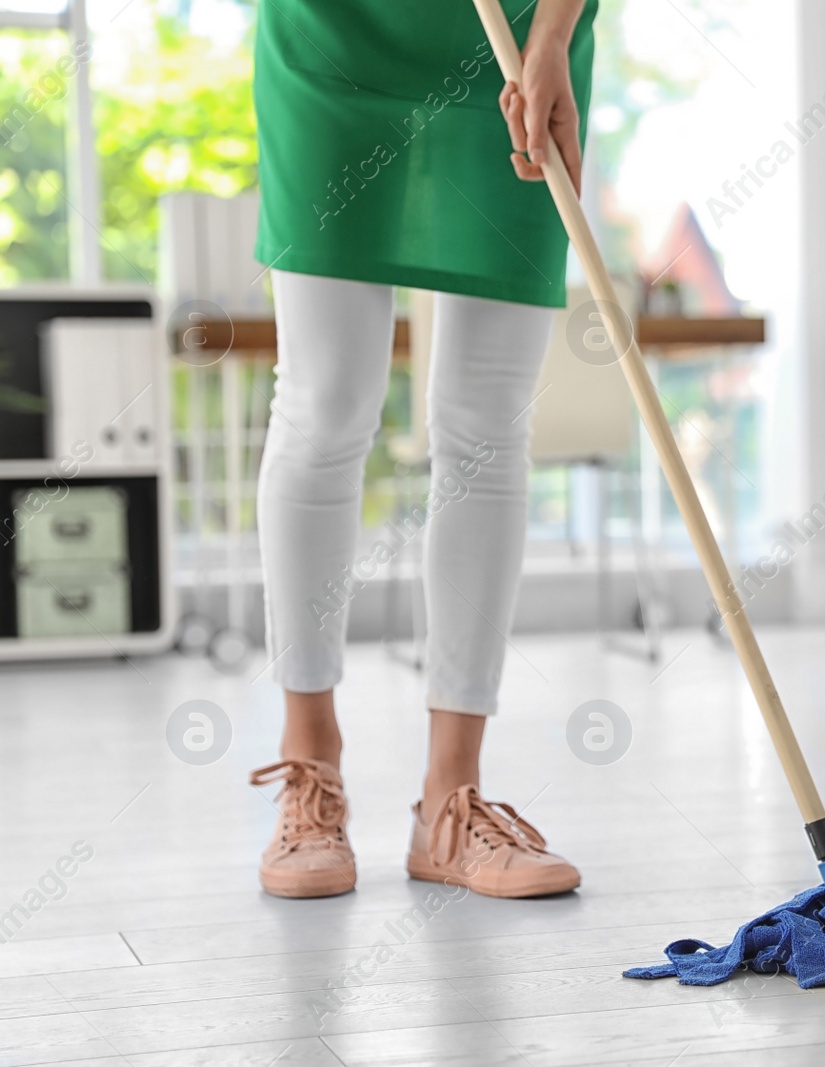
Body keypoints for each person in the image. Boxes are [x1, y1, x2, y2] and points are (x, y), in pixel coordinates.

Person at [244, 0, 597, 899]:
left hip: (517, 43)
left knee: (487, 424)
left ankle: (452, 799)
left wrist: (553, 34)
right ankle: (309, 766)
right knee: (324, 405)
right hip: (334, 37)